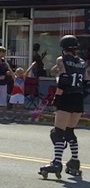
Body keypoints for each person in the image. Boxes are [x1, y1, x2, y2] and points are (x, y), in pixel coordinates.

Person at [39, 35, 87, 178]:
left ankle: (57, 163)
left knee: (58, 132)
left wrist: (56, 99)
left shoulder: (62, 60)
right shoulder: (82, 62)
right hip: (78, 98)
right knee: (70, 131)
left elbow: (63, 80)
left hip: (66, 97)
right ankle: (74, 161)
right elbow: (86, 80)